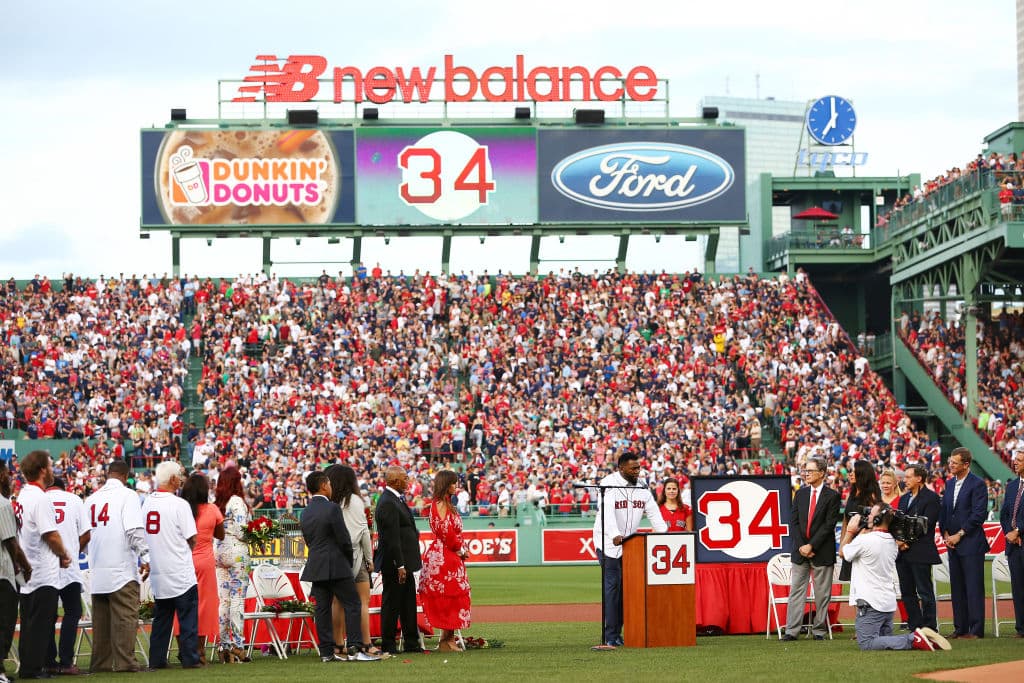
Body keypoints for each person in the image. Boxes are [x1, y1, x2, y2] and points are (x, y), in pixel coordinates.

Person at [839, 504, 950, 651]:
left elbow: (842, 552)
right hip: (887, 604)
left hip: (870, 603)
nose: (868, 516)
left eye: (871, 514)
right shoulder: (892, 541)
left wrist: (850, 531)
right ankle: (924, 639)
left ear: (878, 519)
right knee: (885, 641)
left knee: (866, 643)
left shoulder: (865, 541)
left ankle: (914, 638)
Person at [299, 470, 378, 662]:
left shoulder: (305, 511)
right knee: (353, 604)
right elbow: (344, 539)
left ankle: (327, 652)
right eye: (329, 484)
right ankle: (355, 648)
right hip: (337, 564)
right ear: (324, 485)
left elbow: (308, 540)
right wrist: (347, 560)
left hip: (316, 565)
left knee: (323, 608)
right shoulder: (332, 508)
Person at [592, 452, 668, 648]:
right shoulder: (608, 484)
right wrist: (614, 534)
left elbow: (653, 511)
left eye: (638, 467)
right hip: (608, 542)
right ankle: (611, 636)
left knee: (626, 591)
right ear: (621, 468)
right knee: (613, 587)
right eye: (633, 468)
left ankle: (617, 634)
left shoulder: (642, 486)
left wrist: (665, 533)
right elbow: (607, 512)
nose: (637, 471)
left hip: (630, 544)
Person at [84, 459, 150, 673]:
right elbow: (134, 530)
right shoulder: (128, 495)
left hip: (98, 569)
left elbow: (84, 537)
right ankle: (126, 662)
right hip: (120, 568)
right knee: (125, 617)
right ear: (125, 476)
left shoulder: (91, 499)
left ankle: (100, 664)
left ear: (108, 474)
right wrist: (146, 557)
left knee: (101, 622)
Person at [16, 450, 71, 680]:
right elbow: (51, 535)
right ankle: (32, 668)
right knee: (40, 624)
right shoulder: (40, 497)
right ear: (42, 470)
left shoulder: (23, 495)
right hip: (42, 571)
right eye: (49, 466)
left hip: (28, 569)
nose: (52, 470)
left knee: (29, 622)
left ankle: (28, 665)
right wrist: (64, 554)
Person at [143, 461, 202, 669]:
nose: (181, 479)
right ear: (173, 479)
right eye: (179, 476)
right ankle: (189, 658)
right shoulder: (179, 504)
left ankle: (156, 660)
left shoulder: (147, 502)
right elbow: (192, 538)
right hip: (179, 570)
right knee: (187, 619)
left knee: (162, 620)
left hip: (159, 571)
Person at [324, 465, 382, 658]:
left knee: (337, 603)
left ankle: (338, 645)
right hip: (356, 555)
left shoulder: (329, 502)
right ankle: (366, 644)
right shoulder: (355, 500)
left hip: (335, 558)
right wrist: (369, 558)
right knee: (362, 601)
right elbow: (364, 532)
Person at [781, 456, 840, 641]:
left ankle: (819, 630)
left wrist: (811, 545)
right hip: (800, 552)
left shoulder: (832, 496)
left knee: (822, 594)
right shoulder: (800, 494)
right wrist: (802, 546)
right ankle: (792, 631)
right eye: (805, 470)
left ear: (822, 473)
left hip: (821, 551)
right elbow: (795, 522)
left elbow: (829, 525)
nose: (806, 474)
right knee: (796, 591)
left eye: (810, 470)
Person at [938, 447, 989, 638]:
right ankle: (960, 628)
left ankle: (976, 630)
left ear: (966, 464)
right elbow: (945, 510)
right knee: (957, 587)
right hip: (952, 542)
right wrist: (945, 532)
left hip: (971, 543)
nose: (950, 465)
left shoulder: (977, 484)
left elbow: (979, 514)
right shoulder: (950, 483)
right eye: (950, 462)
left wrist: (959, 534)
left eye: (954, 462)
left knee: (973, 587)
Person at [419, 470, 471, 652]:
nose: (456, 486)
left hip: (450, 555)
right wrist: (460, 548)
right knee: (447, 597)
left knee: (452, 598)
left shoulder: (446, 504)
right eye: (454, 483)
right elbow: (445, 530)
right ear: (446, 484)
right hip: (444, 556)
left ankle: (448, 639)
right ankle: (445, 640)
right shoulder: (440, 504)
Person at [374, 466, 424, 656]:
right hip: (396, 564)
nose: (408, 481)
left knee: (408, 603)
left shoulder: (395, 499)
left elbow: (405, 528)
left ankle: (411, 642)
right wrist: (400, 565)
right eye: (405, 478)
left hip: (405, 563)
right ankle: (388, 644)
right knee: (392, 604)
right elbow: (391, 537)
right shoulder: (388, 502)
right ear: (395, 481)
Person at [45, 477, 91, 675]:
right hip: (69, 568)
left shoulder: (39, 499)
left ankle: (48, 661)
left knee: (47, 615)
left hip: (45, 568)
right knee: (72, 612)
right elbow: (87, 534)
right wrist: (72, 551)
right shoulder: (74, 499)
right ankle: (66, 662)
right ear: (63, 487)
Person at [181, 472, 224, 664]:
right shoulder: (212, 509)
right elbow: (220, 534)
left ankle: (184, 649)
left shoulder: (181, 509)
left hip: (183, 561)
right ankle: (199, 651)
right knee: (205, 606)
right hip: (205, 562)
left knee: (181, 604)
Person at [213, 465, 251, 663]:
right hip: (236, 552)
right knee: (237, 600)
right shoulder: (236, 501)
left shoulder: (217, 502)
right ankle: (238, 644)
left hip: (219, 552)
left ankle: (223, 645)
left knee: (224, 601)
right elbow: (242, 531)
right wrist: (255, 536)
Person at [1, 465, 31, 683]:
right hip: (2, 574)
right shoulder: (2, 504)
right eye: (8, 475)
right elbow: (11, 541)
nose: (10, 479)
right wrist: (24, 566)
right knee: (5, 623)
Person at [839, 460, 882, 581]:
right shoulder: (851, 494)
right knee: (853, 585)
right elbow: (845, 521)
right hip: (850, 543)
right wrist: (843, 543)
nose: (851, 474)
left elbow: (875, 524)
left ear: (863, 474)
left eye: (854, 471)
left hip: (864, 547)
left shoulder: (871, 495)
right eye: (851, 471)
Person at [998, 450, 1024, 637]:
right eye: (1015, 460)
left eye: (1020, 460)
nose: (1015, 463)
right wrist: (1010, 532)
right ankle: (1021, 628)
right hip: (1013, 545)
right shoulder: (1013, 485)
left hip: (1021, 538)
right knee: (1018, 588)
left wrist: (1019, 530)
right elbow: (1005, 513)